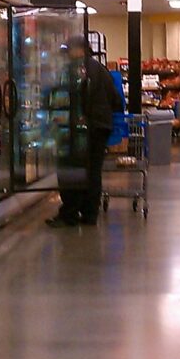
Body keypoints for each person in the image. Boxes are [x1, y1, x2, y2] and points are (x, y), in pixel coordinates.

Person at [47, 35, 124, 227]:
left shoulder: (74, 69)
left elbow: (63, 100)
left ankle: (70, 214)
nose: (67, 55)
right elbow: (116, 101)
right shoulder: (101, 70)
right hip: (101, 128)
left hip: (79, 130)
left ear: (79, 49)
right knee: (93, 171)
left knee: (71, 171)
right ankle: (90, 214)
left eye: (69, 50)